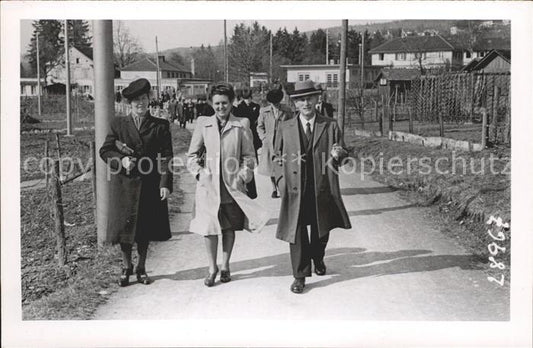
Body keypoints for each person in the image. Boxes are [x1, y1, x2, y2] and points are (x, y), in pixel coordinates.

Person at [187, 82, 269, 287]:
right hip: (209, 187)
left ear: (231, 103)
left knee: (228, 228)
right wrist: (200, 173)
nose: (221, 107)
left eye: (224, 103)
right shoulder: (203, 124)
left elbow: (249, 156)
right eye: (217, 103)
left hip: (232, 186)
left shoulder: (241, 124)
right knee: (209, 228)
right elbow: (191, 156)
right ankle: (212, 267)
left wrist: (243, 174)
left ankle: (225, 265)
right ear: (211, 103)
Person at [273, 80, 351, 294]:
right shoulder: (285, 126)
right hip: (294, 188)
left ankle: (318, 257)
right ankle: (299, 276)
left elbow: (343, 154)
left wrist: (340, 154)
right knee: (296, 231)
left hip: (321, 187)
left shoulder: (330, 125)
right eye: (300, 99)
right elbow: (275, 158)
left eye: (310, 98)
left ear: (318, 99)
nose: (305, 103)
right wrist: (281, 182)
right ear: (295, 103)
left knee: (321, 229)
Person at [99, 78, 173, 287]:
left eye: (143, 98)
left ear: (149, 99)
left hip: (149, 183)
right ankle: (126, 266)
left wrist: (165, 183)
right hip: (124, 184)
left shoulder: (160, 126)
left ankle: (141, 267)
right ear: (128, 104)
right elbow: (105, 150)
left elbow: (167, 156)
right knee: (125, 227)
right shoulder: (118, 124)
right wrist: (120, 160)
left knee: (144, 228)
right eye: (135, 101)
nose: (140, 103)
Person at [257, 87, 293, 198]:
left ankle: (282, 186)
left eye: (277, 102)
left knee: (282, 165)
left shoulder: (287, 110)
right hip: (269, 143)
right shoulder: (264, 111)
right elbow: (260, 126)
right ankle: (274, 189)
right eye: (274, 102)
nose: (276, 104)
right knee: (271, 167)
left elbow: (292, 124)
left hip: (283, 141)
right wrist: (263, 138)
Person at [233, 88, 262, 153]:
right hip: (244, 129)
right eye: (246, 99)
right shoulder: (239, 107)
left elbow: (257, 117)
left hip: (253, 129)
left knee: (254, 147)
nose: (248, 100)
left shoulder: (256, 106)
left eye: (249, 98)